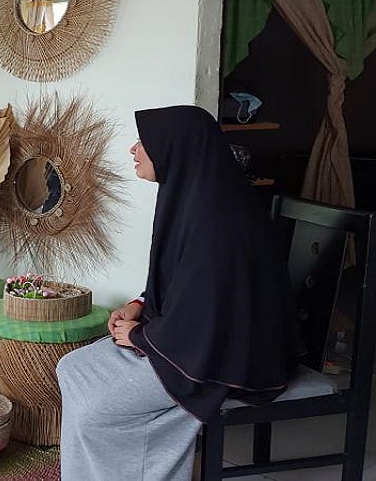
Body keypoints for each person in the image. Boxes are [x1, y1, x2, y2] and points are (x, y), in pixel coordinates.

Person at [56, 105, 301, 481]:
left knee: (97, 409)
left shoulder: (218, 219)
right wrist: (140, 304)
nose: (134, 149)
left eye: (145, 141)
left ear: (176, 148)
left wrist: (140, 336)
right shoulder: (194, 197)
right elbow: (187, 283)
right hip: (189, 340)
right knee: (72, 368)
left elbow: (208, 313)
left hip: (224, 358)